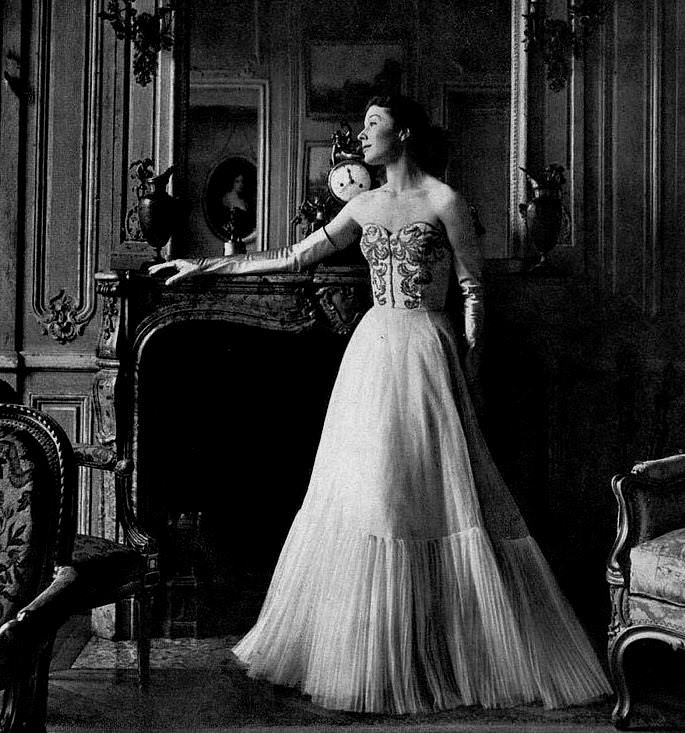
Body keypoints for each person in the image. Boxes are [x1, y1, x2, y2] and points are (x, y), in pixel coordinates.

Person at [150, 95, 611, 714]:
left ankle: (435, 652)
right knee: (373, 494)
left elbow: (475, 293)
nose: (361, 134)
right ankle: (371, 652)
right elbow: (291, 258)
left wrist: (468, 372)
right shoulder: (360, 204)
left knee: (429, 502)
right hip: (372, 354)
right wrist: (201, 267)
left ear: (405, 133)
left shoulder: (446, 201)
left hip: (427, 350)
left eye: (373, 123)